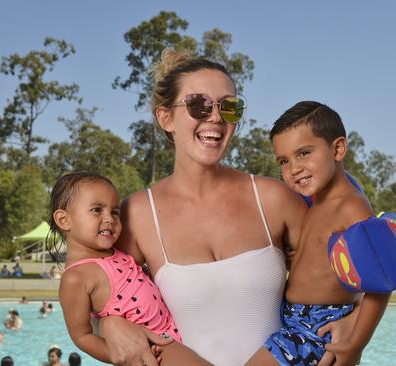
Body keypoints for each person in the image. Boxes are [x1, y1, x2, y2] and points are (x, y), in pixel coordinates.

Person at [99, 49, 352, 366]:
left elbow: (343, 276)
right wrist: (110, 324)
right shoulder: (137, 215)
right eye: (199, 105)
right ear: (165, 118)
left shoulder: (273, 199)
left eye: (228, 107)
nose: (216, 117)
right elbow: (99, 298)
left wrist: (355, 328)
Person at [245, 101, 392, 366]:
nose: (293, 168)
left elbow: (380, 283)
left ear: (337, 149)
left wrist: (355, 344)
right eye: (284, 161)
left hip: (317, 325)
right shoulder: (316, 201)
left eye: (304, 153)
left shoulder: (350, 205)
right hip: (295, 319)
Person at [52, 172, 210, 365]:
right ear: (64, 220)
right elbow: (82, 336)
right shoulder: (76, 277)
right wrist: (122, 356)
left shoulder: (117, 253)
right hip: (153, 348)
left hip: (172, 333)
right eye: (96, 210)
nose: (109, 218)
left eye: (114, 212)